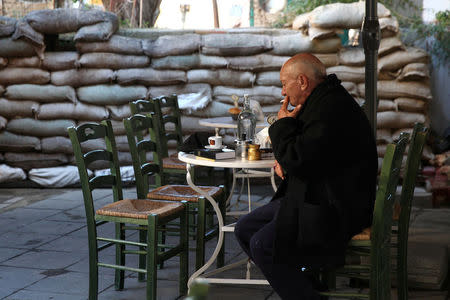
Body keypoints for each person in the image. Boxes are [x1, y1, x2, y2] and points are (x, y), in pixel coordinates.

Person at [234, 53, 378, 299]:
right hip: (318, 195)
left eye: (284, 84)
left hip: (337, 207)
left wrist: (281, 124)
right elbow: (305, 154)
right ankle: (306, 286)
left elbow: (298, 159)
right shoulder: (324, 100)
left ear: (302, 81)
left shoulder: (331, 107)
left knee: (262, 245)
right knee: (245, 228)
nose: (283, 93)